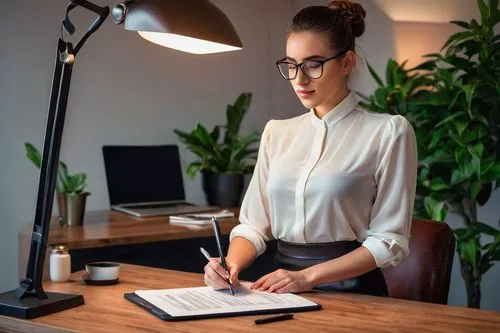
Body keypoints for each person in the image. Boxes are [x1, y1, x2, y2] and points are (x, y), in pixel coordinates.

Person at [204, 0, 417, 297]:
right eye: (291, 65)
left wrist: (307, 277)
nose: (299, 79)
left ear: (346, 62)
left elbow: (389, 241)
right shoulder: (277, 133)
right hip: (280, 290)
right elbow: (254, 225)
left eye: (313, 65)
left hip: (354, 292)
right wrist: (230, 264)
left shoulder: (388, 132)